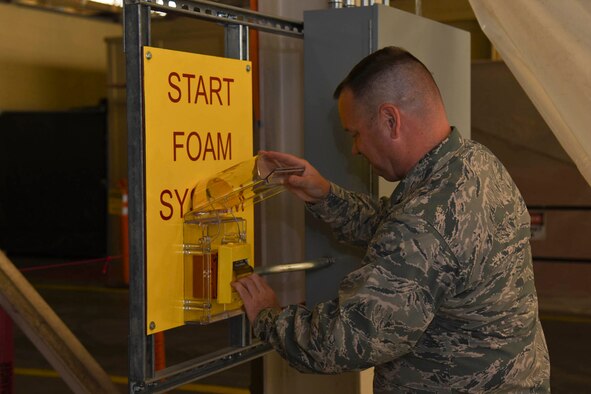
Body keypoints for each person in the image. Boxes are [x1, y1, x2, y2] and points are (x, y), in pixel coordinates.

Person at [232, 46, 550, 393]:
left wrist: (268, 316)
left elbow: (346, 340)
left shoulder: (423, 222)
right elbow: (398, 226)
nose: (355, 149)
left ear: (389, 120)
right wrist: (322, 193)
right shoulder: (475, 164)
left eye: (354, 134)